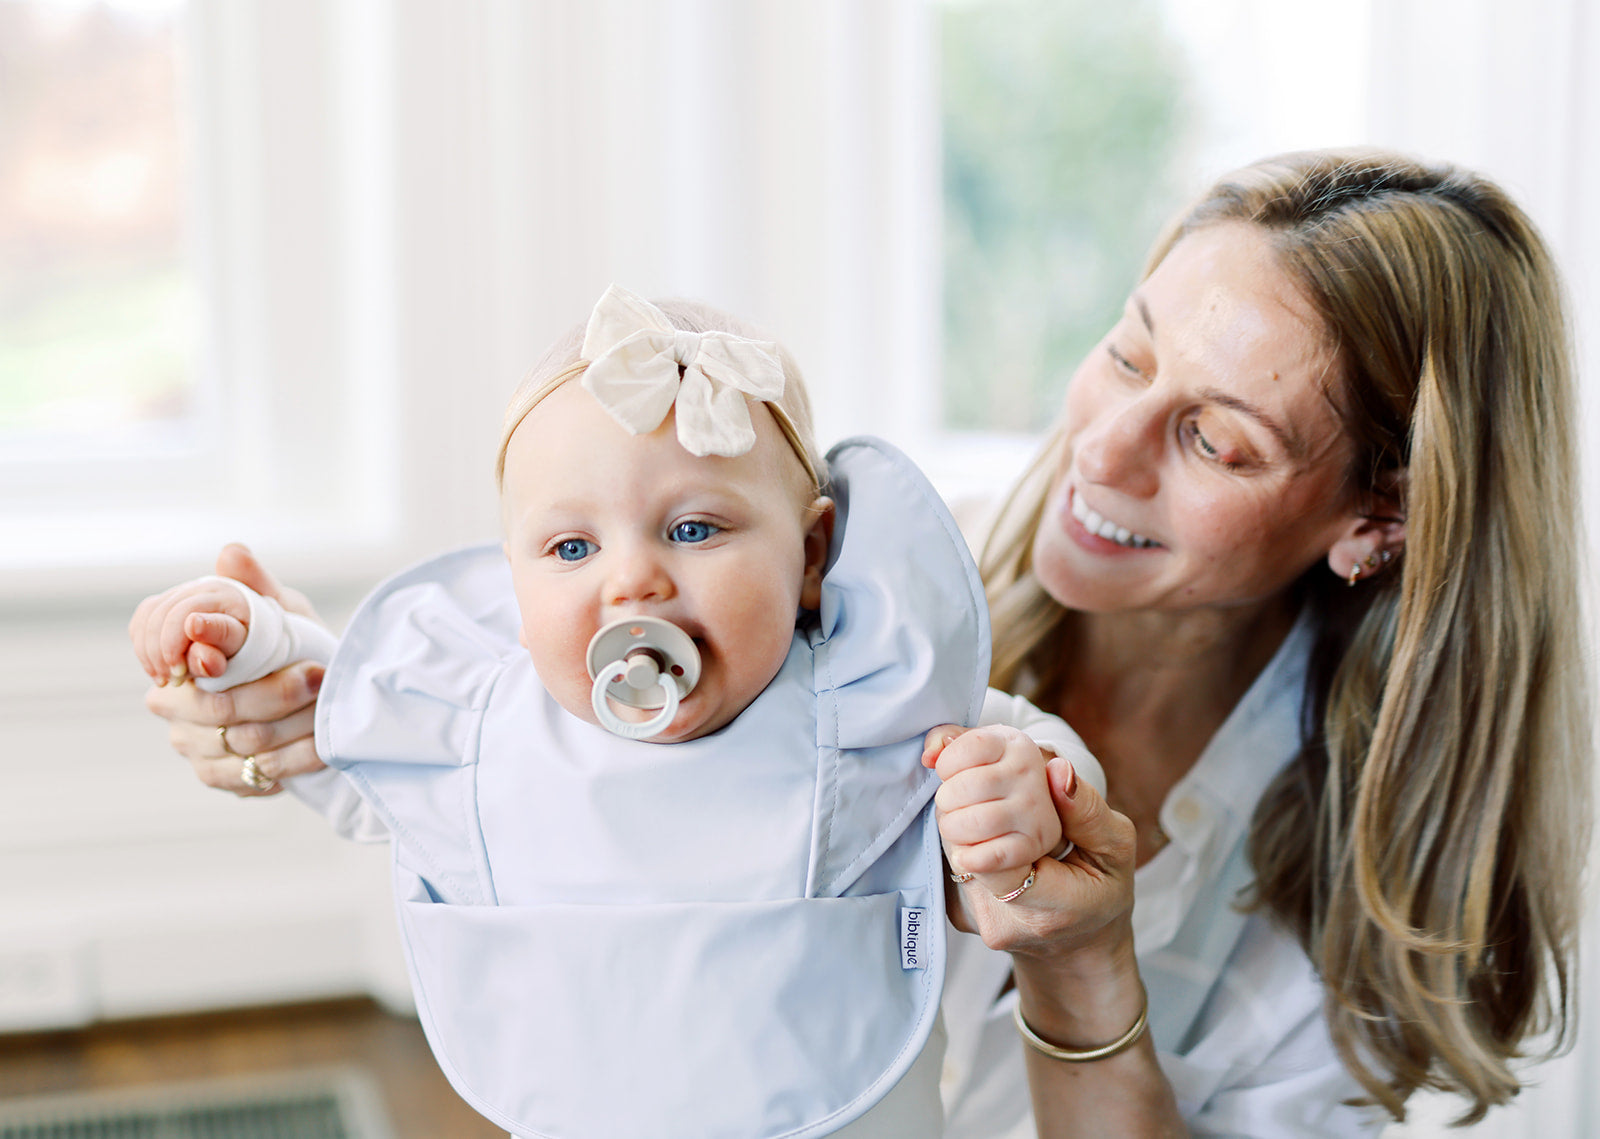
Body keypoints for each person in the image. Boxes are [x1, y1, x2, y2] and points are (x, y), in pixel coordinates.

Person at [141, 149, 1592, 1137]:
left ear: (1376, 520)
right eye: (1131, 351)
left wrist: (1085, 969)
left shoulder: (1383, 889)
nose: (1105, 444)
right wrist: (290, 702)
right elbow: (535, 733)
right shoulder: (833, 603)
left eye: (1214, 436)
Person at [132, 285, 1099, 1139]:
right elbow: (339, 726)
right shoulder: (484, 734)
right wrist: (256, 643)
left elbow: (1037, 764)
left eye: (693, 528)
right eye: (569, 549)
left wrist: (1024, 791)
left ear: (812, 554)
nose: (632, 578)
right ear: (511, 578)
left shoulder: (869, 709)